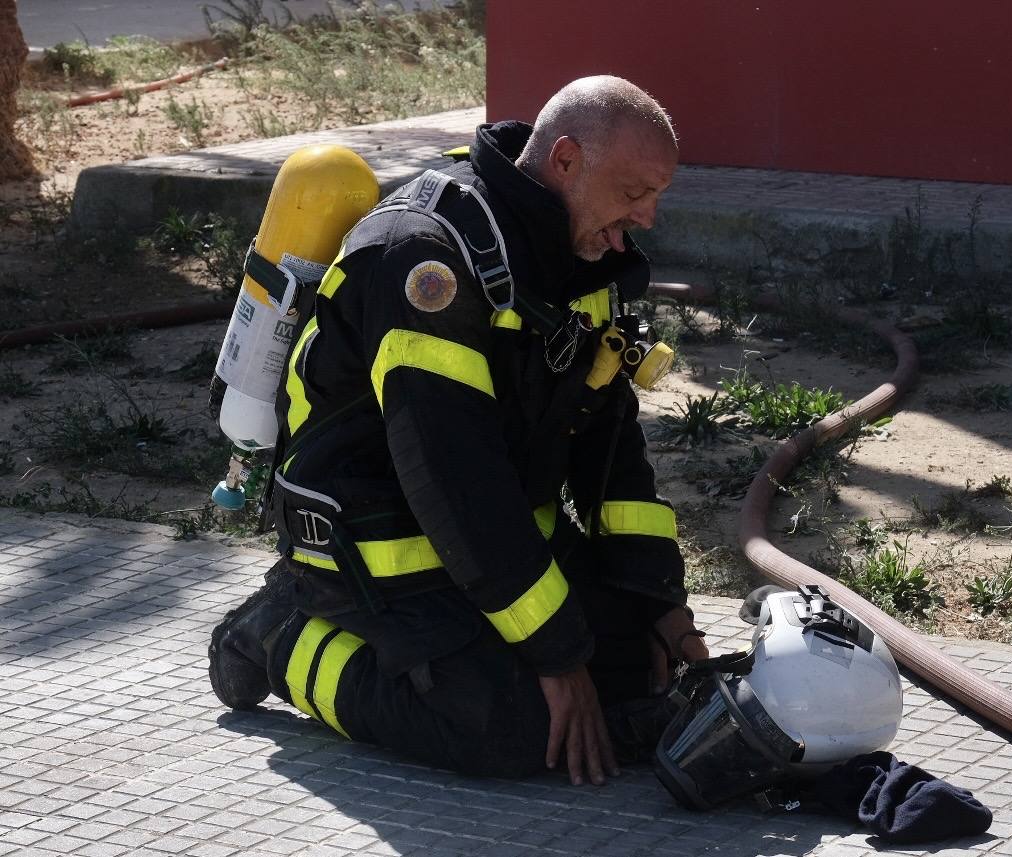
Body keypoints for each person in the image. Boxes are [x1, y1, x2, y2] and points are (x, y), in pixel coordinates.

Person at [209, 75, 709, 787]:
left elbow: (610, 445)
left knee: (638, 672)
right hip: (373, 550)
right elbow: (453, 476)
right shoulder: (424, 260)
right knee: (516, 728)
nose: (650, 217)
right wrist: (556, 656)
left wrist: (657, 600)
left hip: (491, 540)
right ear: (565, 160)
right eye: (636, 193)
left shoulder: (582, 258)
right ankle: (280, 634)